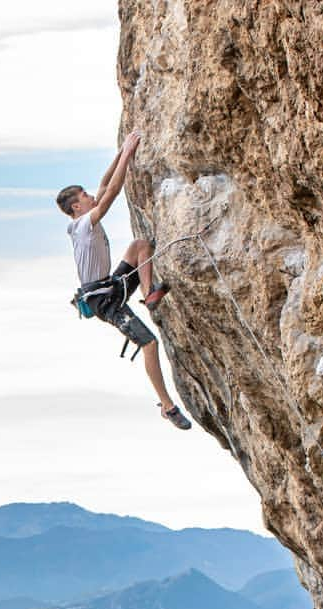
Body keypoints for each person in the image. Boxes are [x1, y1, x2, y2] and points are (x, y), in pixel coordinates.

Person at [57, 131, 192, 430]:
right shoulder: (81, 226)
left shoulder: (83, 219)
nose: (92, 196)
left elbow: (105, 184)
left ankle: (149, 294)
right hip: (104, 302)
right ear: (76, 207)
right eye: (85, 197)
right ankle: (167, 406)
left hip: (111, 284)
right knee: (149, 343)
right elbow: (112, 191)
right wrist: (129, 154)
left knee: (140, 245)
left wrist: (120, 152)